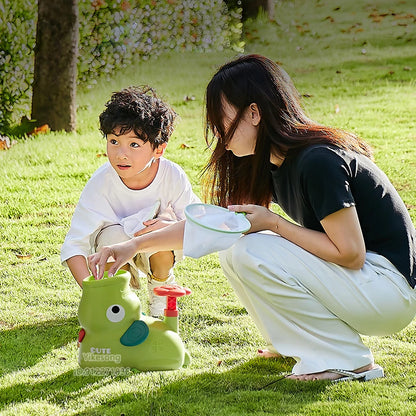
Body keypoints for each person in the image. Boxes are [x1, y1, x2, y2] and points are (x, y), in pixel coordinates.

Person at [87, 55, 416, 382]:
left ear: (254, 113)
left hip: (389, 291)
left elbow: (351, 253)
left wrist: (274, 224)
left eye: (222, 119)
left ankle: (346, 361)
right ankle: (301, 344)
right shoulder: (271, 163)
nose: (217, 131)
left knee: (251, 249)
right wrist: (133, 246)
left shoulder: (318, 162)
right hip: (364, 285)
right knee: (235, 248)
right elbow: (214, 227)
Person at [61, 86, 200, 316]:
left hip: (156, 252)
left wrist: (168, 225)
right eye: (114, 141)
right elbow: (74, 245)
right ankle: (119, 300)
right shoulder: (101, 183)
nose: (121, 154)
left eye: (134, 144)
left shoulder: (173, 176)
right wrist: (92, 292)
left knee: (158, 235)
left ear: (159, 149)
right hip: (114, 251)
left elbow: (198, 225)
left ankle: (161, 289)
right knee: (110, 241)